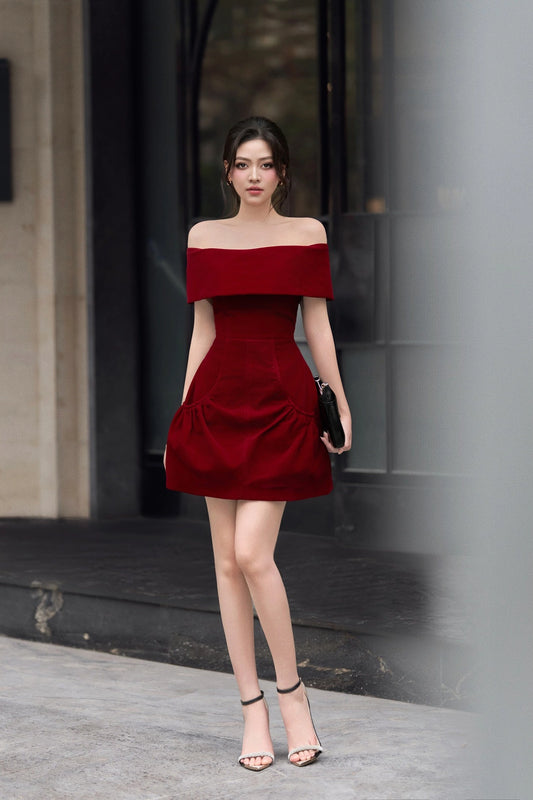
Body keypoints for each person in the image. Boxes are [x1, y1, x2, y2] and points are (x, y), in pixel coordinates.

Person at [164, 116, 352, 771]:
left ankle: (293, 696)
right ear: (226, 171)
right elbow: (202, 330)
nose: (252, 176)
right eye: (241, 164)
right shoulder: (203, 237)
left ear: (281, 172)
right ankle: (251, 710)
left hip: (279, 398)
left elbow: (318, 327)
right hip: (215, 398)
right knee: (224, 563)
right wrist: (185, 410)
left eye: (264, 164)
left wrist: (338, 401)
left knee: (251, 552)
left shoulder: (306, 234)